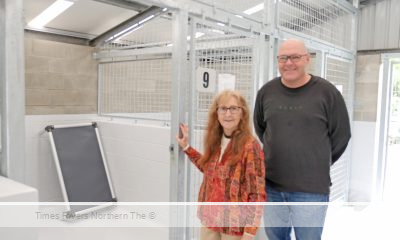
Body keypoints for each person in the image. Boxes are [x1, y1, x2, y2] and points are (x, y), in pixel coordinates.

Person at [253, 39, 351, 240]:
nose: (288, 63)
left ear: (307, 59)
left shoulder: (327, 93)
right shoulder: (266, 92)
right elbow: (261, 129)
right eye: (283, 58)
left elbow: (342, 135)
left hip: (311, 189)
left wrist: (317, 161)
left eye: (295, 57)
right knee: (275, 237)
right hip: (272, 186)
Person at [176, 90, 266, 240]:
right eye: (223, 108)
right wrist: (186, 148)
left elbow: (257, 193)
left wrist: (250, 231)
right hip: (209, 218)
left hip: (233, 225)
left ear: (242, 113)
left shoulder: (250, 146)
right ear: (216, 113)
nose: (228, 114)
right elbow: (208, 169)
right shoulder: (215, 140)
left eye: (233, 108)